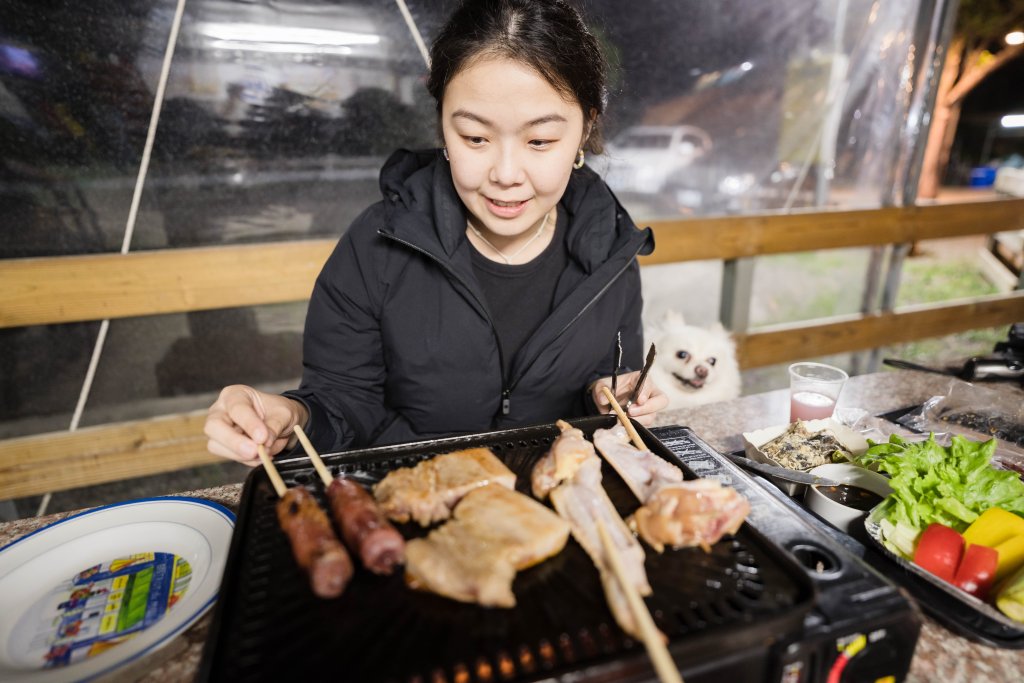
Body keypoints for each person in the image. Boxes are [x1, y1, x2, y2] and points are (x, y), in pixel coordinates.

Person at [204, 0, 668, 465]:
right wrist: (293, 417)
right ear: (443, 124)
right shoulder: (377, 243)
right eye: (475, 138)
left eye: (540, 141)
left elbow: (605, 383)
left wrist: (612, 395)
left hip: (557, 507)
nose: (506, 174)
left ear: (585, 127)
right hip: (409, 503)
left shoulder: (611, 246)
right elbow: (342, 401)